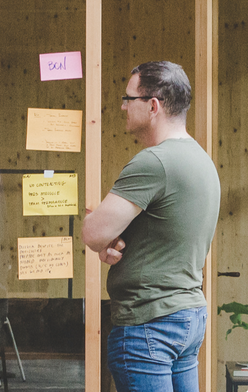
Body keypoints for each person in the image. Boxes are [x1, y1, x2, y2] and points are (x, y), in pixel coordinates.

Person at [82, 61, 220, 392]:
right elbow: (163, 234)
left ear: (153, 106)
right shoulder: (202, 161)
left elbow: (92, 233)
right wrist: (116, 242)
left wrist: (101, 231)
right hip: (187, 316)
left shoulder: (154, 162)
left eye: (129, 98)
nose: (122, 106)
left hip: (149, 323)